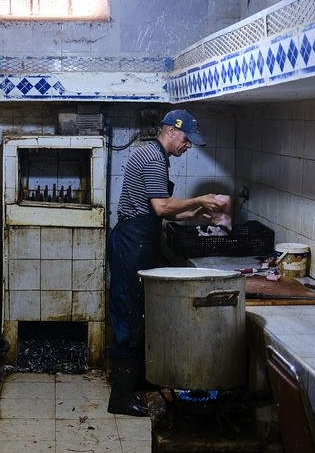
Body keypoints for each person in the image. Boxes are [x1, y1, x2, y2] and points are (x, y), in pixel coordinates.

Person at [107, 109, 225, 417]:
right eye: (186, 139)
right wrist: (199, 200)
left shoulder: (155, 155)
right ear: (171, 131)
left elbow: (163, 209)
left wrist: (195, 214)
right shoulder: (153, 158)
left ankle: (135, 384)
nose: (188, 146)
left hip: (138, 239)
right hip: (132, 241)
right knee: (130, 314)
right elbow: (161, 207)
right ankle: (120, 398)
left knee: (137, 311)